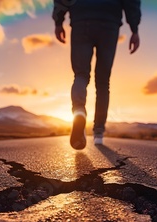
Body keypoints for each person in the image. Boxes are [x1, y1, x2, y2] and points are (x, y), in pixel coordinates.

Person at [53, 0, 141, 149]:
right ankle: (98, 133)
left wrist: (58, 21)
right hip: (109, 23)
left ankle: (79, 111)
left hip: (81, 20)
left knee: (80, 75)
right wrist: (134, 29)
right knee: (102, 82)